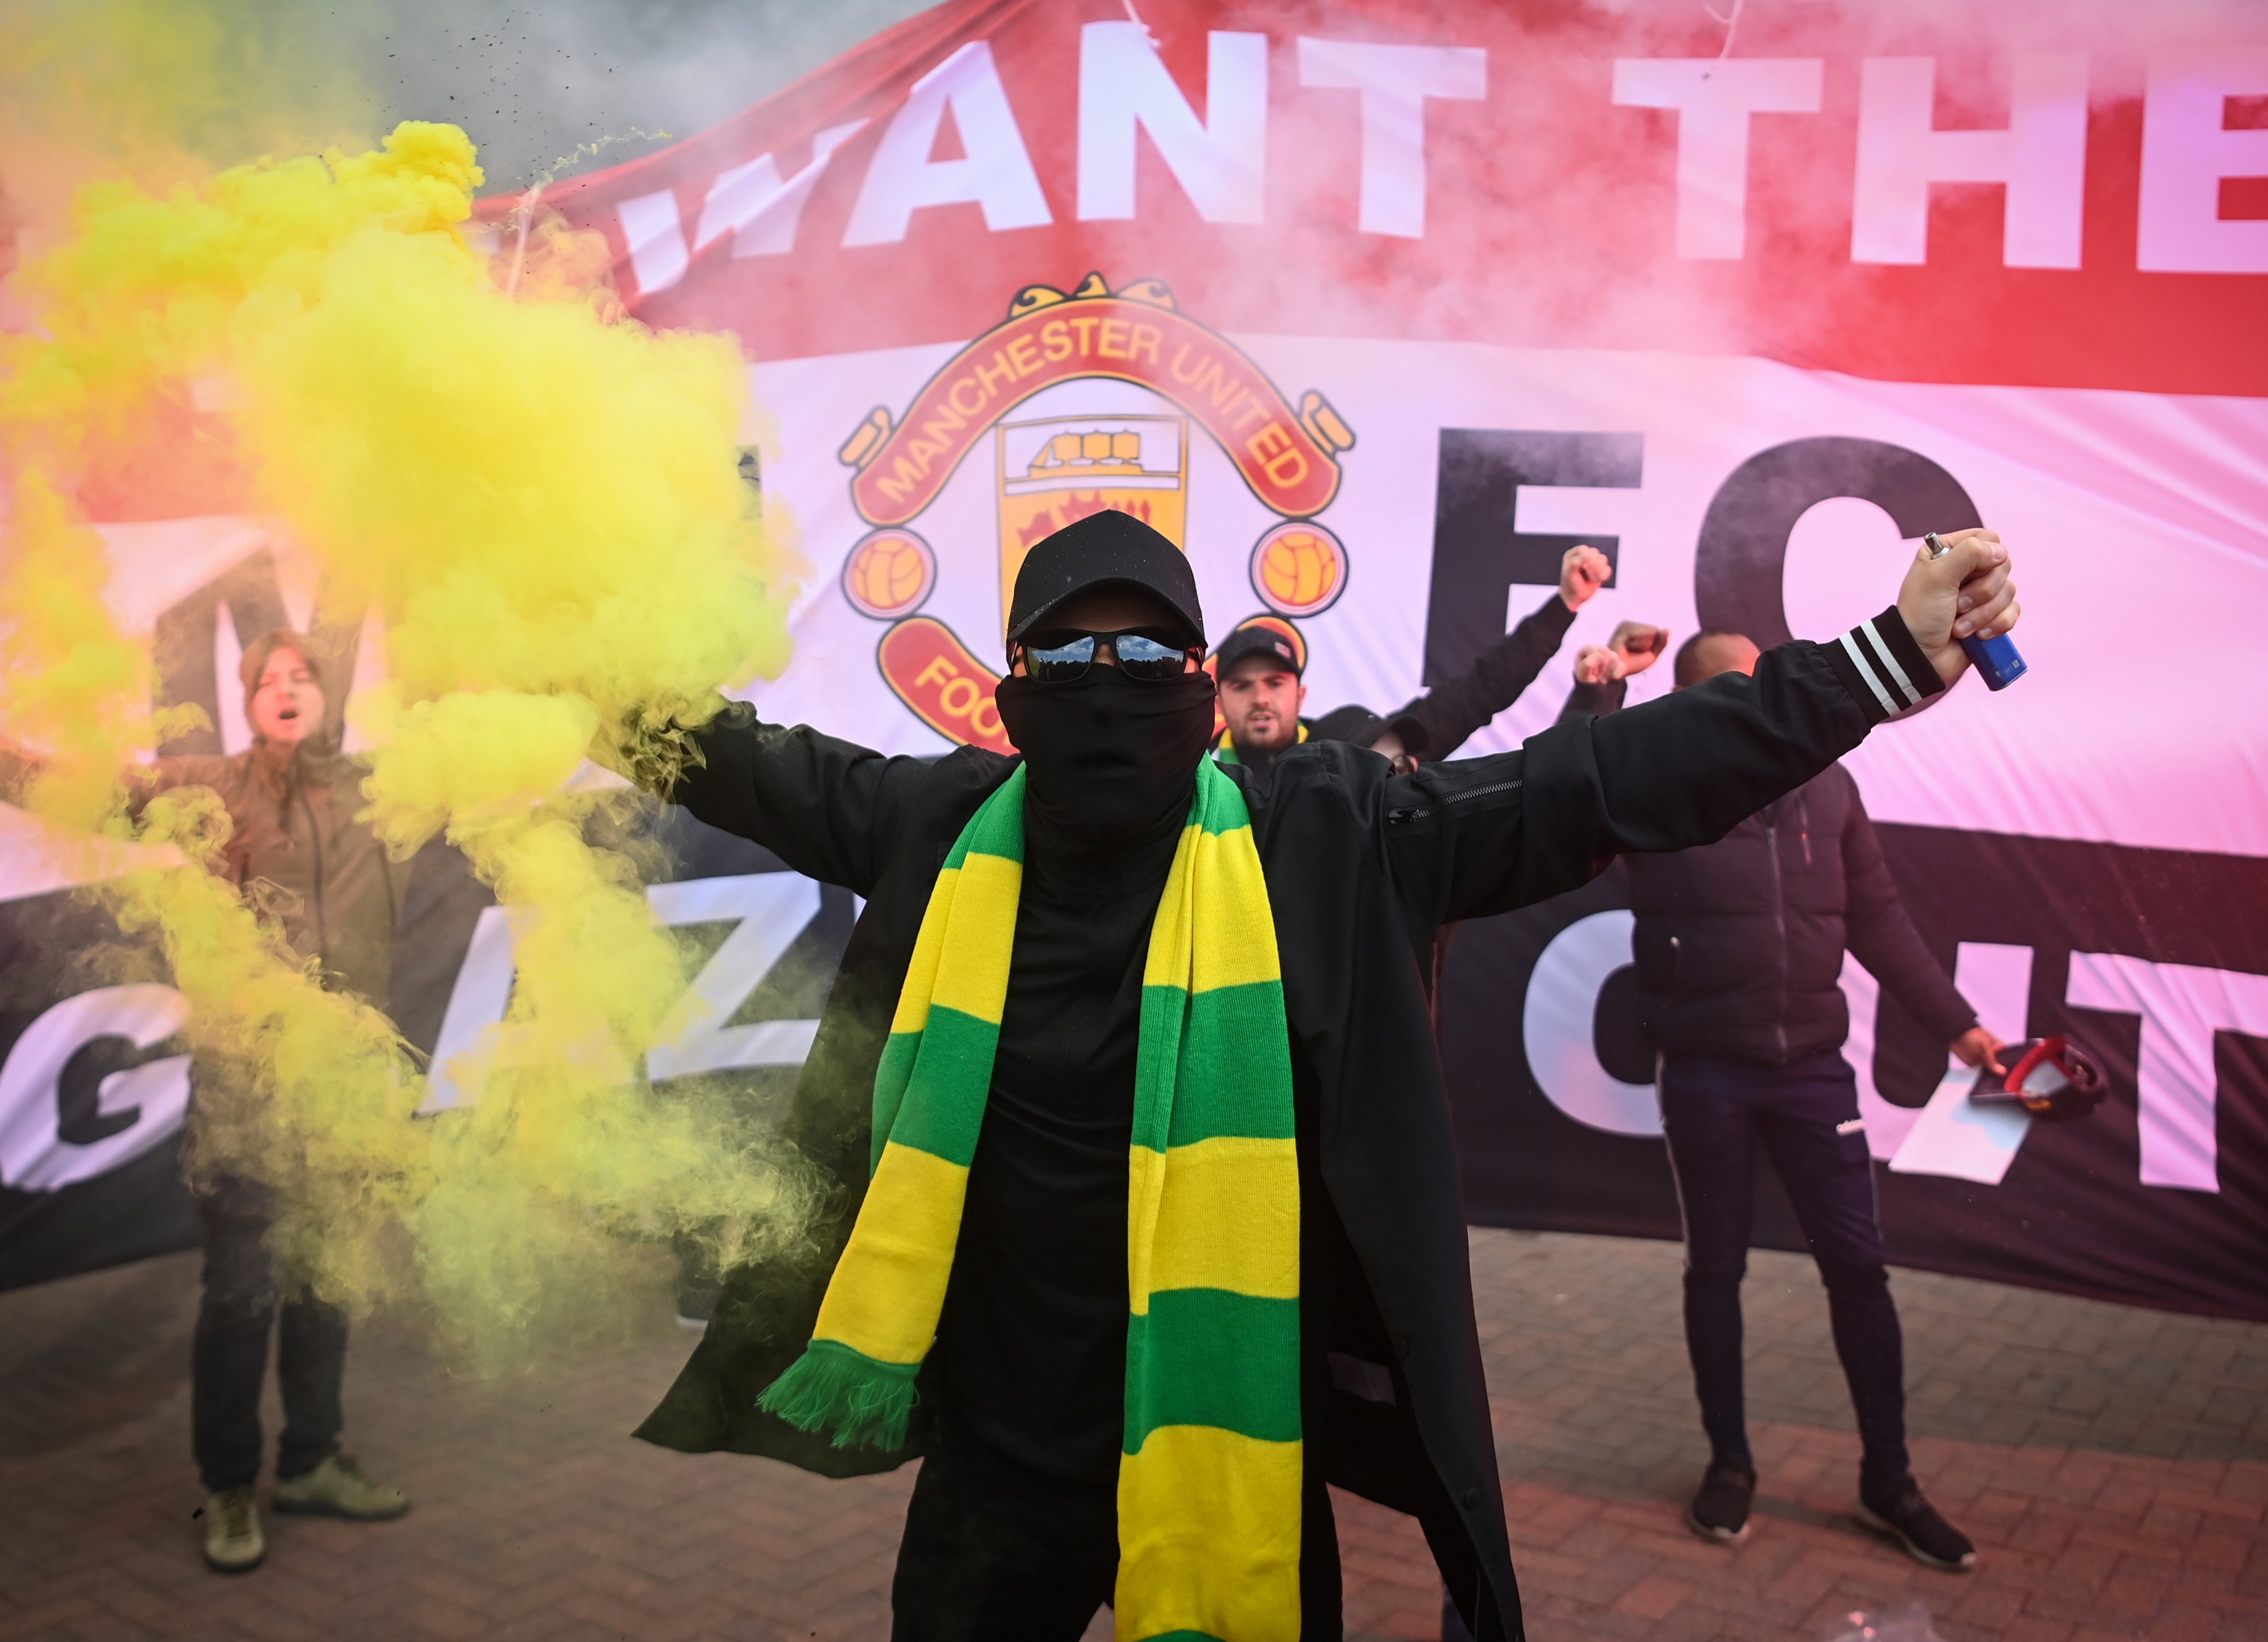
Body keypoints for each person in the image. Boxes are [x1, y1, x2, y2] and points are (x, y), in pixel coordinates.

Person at [623, 509, 2018, 1641]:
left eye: (1144, 657)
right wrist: (537, 667)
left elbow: (1594, 785)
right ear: (1011, 692)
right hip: (1003, 1454)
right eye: (1070, 660)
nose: (1108, 691)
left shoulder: (1326, 827)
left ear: (1195, 682)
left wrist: (1880, 655)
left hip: (1238, 1424)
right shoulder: (938, 822)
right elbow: (736, 760)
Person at [1558, 625, 2006, 1572]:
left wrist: (1960, 1026)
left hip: (1811, 1066)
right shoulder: (1653, 791)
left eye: (1759, 684)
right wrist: (1600, 692)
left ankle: (1888, 1481)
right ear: (1687, 710)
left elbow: (1878, 921)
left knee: (1859, 1269)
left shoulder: (1826, 785)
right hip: (1704, 1068)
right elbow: (1565, 796)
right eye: (1733, 691)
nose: (1758, 705)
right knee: (1713, 1269)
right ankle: (1728, 1462)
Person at [0, 632, 413, 1571]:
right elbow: (71, 784)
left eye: (302, 675)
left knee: (325, 1281)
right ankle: (228, 1488)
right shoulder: (210, 786)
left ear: (329, 694)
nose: (286, 690)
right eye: (267, 680)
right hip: (247, 1091)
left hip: (343, 1087)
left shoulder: (373, 789)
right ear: (246, 702)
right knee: (243, 1296)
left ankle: (312, 1460)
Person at [1211, 544, 1651, 785]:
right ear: (1220, 698)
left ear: (1300, 693)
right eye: (1242, 686)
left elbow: (1477, 692)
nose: (1261, 698)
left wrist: (1565, 606)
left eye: (1275, 681)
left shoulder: (1351, 750)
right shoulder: (1196, 776)